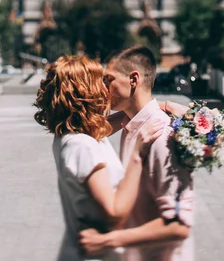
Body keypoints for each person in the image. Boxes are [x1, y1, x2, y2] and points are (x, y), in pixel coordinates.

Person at [34, 55, 165, 261]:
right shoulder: (82, 146)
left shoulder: (71, 134)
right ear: (86, 90)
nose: (106, 87)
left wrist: (163, 107)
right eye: (101, 81)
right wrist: (138, 154)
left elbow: (123, 117)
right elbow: (114, 214)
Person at [80, 45, 194, 261]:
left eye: (108, 80)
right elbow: (91, 130)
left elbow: (179, 225)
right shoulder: (130, 124)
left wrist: (108, 241)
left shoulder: (160, 136)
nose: (103, 89)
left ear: (133, 80)